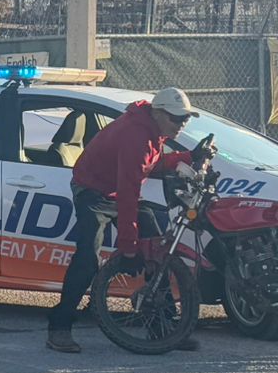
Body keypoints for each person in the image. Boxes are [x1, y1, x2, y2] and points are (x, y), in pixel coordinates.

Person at [46, 87, 210, 354]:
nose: (182, 125)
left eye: (186, 119)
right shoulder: (137, 134)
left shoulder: (150, 128)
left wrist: (188, 157)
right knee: (87, 258)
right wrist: (129, 246)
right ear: (158, 113)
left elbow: (147, 164)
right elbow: (129, 193)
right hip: (93, 193)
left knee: (158, 251)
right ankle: (59, 327)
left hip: (115, 189)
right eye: (176, 119)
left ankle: (164, 328)